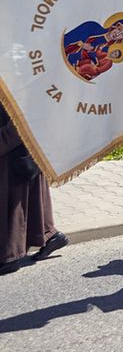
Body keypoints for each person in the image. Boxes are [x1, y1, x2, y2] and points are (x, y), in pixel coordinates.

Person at [0, 102, 68, 274]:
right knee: (33, 199)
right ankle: (51, 235)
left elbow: (19, 122)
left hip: (16, 155)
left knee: (14, 203)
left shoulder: (13, 83)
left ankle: (10, 257)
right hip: (21, 153)